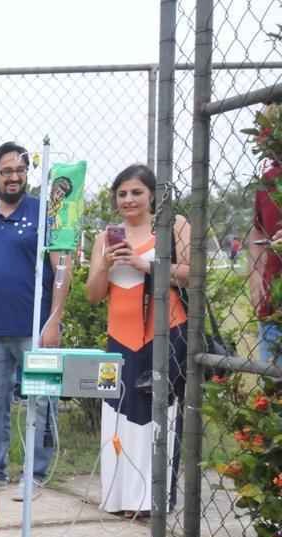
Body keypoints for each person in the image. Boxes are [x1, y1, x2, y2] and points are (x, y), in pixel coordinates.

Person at [0, 142, 69, 499]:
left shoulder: (45, 213)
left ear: (27, 173)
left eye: (20, 170)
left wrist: (54, 318)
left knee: (41, 401)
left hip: (36, 330)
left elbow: (62, 267)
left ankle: (35, 474)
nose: (13, 177)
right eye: (6, 171)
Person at [86, 166, 191, 517]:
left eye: (136, 192)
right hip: (119, 339)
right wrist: (104, 265)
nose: (129, 200)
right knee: (118, 413)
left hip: (165, 334)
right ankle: (120, 497)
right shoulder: (106, 236)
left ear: (152, 196)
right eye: (122, 194)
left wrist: (144, 263)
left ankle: (154, 500)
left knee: (161, 414)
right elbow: (93, 296)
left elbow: (193, 273)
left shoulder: (174, 226)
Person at [249, 153, 282, 368]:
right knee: (273, 389)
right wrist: (255, 274)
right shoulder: (268, 177)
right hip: (273, 306)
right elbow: (257, 230)